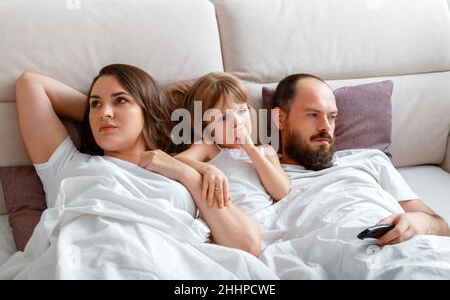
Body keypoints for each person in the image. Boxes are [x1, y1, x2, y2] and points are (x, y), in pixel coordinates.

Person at [15, 64, 261, 256]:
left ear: (147, 109)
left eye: (121, 100)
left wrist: (186, 173)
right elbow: (31, 84)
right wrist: (103, 118)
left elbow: (247, 245)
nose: (104, 112)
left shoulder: (180, 171)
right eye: (95, 104)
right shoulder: (67, 165)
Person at [270, 73, 450, 246]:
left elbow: (442, 227)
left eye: (332, 117)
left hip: (414, 251)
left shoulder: (369, 160)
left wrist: (420, 222)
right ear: (280, 118)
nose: (326, 126)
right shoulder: (263, 176)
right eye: (313, 115)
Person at [166, 72, 290, 215]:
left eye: (242, 111)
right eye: (224, 118)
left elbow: (281, 192)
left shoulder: (266, 151)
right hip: (231, 222)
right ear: (205, 127)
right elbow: (174, 161)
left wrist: (250, 149)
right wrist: (206, 168)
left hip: (267, 217)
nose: (237, 122)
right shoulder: (209, 148)